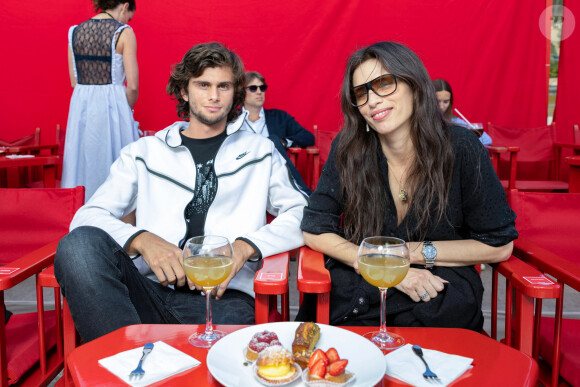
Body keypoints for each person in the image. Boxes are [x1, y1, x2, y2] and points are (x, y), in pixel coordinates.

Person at [54, 42, 307, 342]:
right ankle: (122, 363)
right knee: (78, 245)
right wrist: (142, 240)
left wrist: (245, 247)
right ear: (184, 91)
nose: (214, 96)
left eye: (223, 86)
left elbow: (303, 212)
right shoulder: (144, 153)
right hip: (150, 293)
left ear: (235, 92)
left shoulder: (260, 151)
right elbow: (87, 217)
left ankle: (126, 366)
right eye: (203, 85)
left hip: (225, 300)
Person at [296, 42, 517, 331]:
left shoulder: (462, 148)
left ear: (415, 85)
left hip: (436, 294)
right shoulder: (348, 149)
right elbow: (315, 228)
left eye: (384, 83)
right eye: (361, 93)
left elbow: (499, 245)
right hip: (361, 288)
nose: (372, 100)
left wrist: (410, 254)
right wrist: (383, 266)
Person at [62, 0, 140, 201]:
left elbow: (74, 81)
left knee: (82, 161)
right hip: (114, 105)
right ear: (124, 6)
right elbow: (132, 86)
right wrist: (126, 112)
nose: (127, 20)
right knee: (115, 164)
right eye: (129, 16)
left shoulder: (74, 32)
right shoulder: (124, 32)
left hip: (81, 105)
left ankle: (80, 211)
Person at [242, 71, 315, 194]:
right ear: (241, 93)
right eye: (253, 88)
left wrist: (285, 142)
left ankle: (302, 193)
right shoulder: (232, 119)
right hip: (243, 172)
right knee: (272, 140)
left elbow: (309, 138)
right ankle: (303, 192)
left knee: (274, 141)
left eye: (263, 88)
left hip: (273, 172)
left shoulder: (279, 117)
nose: (259, 92)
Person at [432, 78, 492, 146]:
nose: (441, 106)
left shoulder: (455, 121)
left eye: (446, 102)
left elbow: (487, 140)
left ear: (450, 102)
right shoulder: (422, 119)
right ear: (429, 99)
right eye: (437, 101)